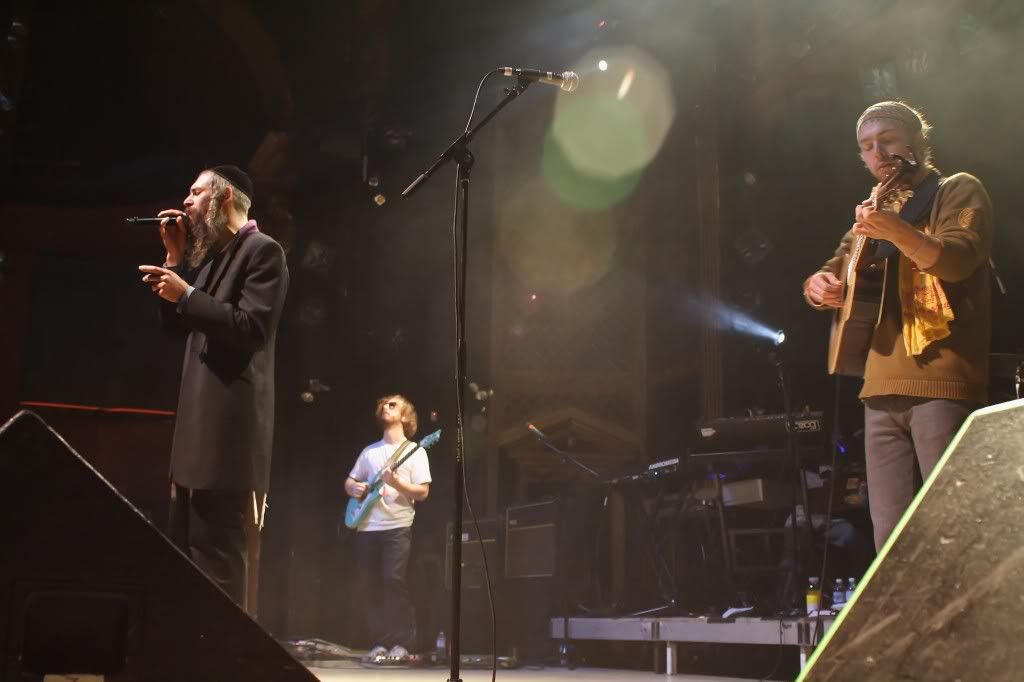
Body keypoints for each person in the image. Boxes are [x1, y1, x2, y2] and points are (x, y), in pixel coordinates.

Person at [803, 102, 993, 550]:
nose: (878, 152)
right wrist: (819, 286)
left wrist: (893, 230)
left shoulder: (956, 190)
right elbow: (833, 269)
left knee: (953, 529)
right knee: (890, 540)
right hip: (879, 390)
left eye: (887, 139)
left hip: (941, 381)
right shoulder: (869, 217)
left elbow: (957, 258)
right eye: (867, 146)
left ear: (916, 142)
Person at [138, 165, 289, 607]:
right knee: (188, 561)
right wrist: (174, 261)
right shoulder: (213, 260)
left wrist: (186, 293)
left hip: (226, 440)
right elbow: (177, 326)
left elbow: (251, 328)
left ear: (224, 199)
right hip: (196, 439)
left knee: (217, 563)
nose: (186, 201)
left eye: (195, 192)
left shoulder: (263, 251)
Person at [344, 395, 431, 664]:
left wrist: (395, 482)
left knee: (394, 581)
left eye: (393, 404)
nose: (385, 407)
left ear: (405, 416)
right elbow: (350, 481)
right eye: (382, 404)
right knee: (370, 585)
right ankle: (379, 642)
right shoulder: (370, 452)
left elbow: (423, 491)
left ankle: (402, 642)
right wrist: (354, 487)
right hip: (367, 527)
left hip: (397, 526)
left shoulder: (416, 451)